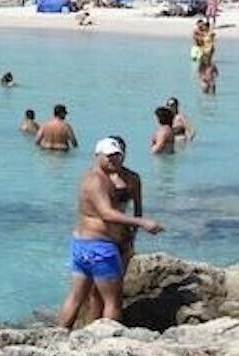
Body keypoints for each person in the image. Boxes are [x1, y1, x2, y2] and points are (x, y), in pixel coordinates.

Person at [56, 138, 163, 328]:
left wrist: (131, 237)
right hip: (99, 247)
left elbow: (133, 207)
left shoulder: (120, 178)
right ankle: (107, 340)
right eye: (109, 156)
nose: (113, 160)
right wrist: (143, 223)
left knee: (77, 297)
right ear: (98, 155)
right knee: (112, 301)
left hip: (84, 245)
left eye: (117, 156)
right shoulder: (95, 180)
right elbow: (106, 213)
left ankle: (58, 335)